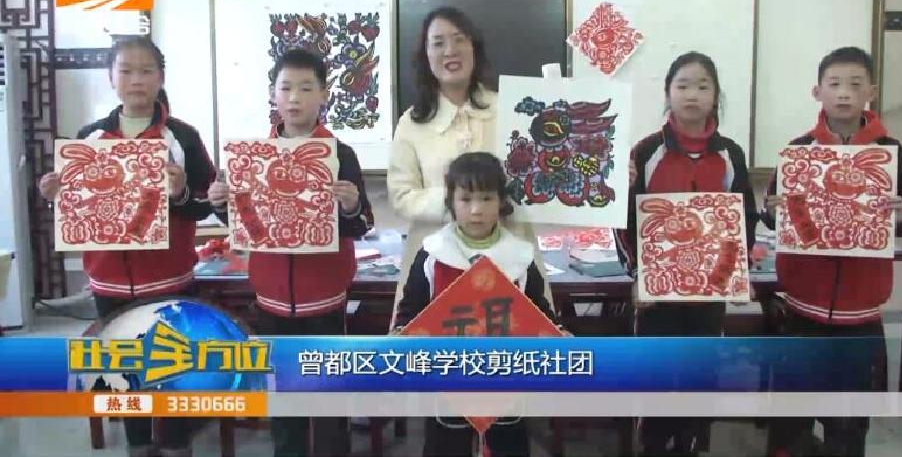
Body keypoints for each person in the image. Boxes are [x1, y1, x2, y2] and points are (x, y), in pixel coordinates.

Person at [38, 36, 215, 457]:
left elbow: (207, 203)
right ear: (111, 78)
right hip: (109, 282)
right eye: (126, 70)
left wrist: (181, 192)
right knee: (125, 366)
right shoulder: (90, 138)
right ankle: (138, 445)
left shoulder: (182, 137)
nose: (137, 79)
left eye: (146, 70)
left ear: (161, 78)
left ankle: (177, 445)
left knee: (173, 365)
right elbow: (78, 208)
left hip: (170, 279)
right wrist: (56, 195)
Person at [208, 48, 374, 457]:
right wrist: (220, 202)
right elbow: (245, 224)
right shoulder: (251, 158)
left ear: (324, 94)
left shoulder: (339, 153)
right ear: (273, 94)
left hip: (326, 300)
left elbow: (362, 224)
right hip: (271, 301)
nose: (295, 97)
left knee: (328, 398)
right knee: (283, 397)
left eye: (306, 88)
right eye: (286, 88)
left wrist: (351, 205)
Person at [763, 46, 902, 457]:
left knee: (849, 425)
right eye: (834, 83)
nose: (844, 93)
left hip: (862, 316)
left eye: (855, 84)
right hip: (801, 311)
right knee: (790, 422)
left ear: (871, 91)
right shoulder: (799, 151)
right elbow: (772, 216)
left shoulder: (890, 152)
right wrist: (773, 211)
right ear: (817, 91)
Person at [614, 52, 758, 456]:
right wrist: (638, 275)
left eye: (702, 85)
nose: (692, 94)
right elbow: (624, 220)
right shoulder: (645, 152)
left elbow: (743, 217)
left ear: (715, 95)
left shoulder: (731, 154)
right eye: (682, 85)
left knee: (701, 375)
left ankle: (692, 446)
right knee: (657, 377)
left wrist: (738, 273)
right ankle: (654, 446)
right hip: (657, 298)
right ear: (667, 93)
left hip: (707, 296)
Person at [393, 151, 567, 457]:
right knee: (446, 446)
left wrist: (558, 333)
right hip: (448, 377)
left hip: (505, 376)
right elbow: (411, 310)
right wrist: (401, 333)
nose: (476, 210)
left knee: (508, 444)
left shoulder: (518, 256)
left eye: (486, 199)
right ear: (451, 202)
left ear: (501, 201)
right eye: (466, 199)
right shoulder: (433, 254)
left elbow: (539, 311)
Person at [387, 6, 551, 326]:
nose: (450, 50)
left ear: (474, 48)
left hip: (509, 258)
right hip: (435, 265)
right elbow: (402, 195)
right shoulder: (412, 123)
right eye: (438, 43)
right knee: (436, 350)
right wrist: (458, 198)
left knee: (516, 348)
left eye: (459, 39)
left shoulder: (513, 110)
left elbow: (544, 178)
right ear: (425, 55)